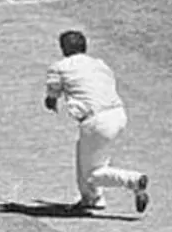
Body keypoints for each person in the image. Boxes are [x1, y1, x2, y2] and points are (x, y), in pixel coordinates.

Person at [43, 30, 150, 213]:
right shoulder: (100, 64)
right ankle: (94, 198)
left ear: (64, 48)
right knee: (89, 158)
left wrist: (51, 101)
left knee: (91, 174)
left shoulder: (60, 67)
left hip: (96, 121)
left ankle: (134, 180)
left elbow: (52, 92)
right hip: (118, 114)